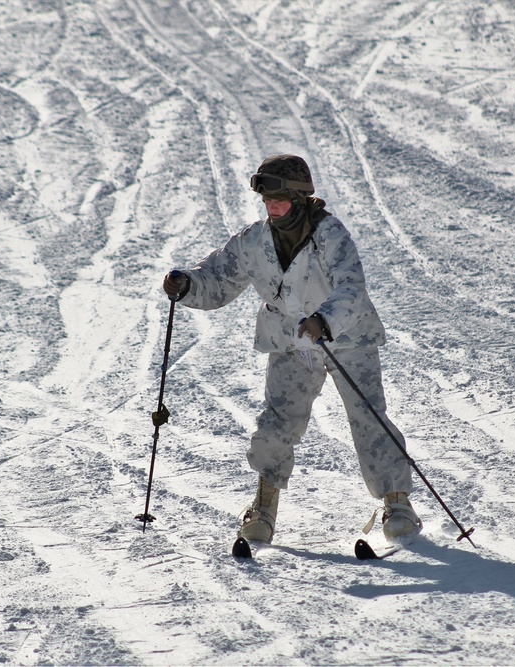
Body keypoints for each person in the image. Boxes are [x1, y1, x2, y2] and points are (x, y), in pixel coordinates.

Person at [162, 154, 420, 544]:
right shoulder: (254, 240)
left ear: (299, 196)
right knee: (277, 422)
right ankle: (263, 507)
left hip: (346, 337)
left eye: (278, 198)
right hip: (289, 340)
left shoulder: (330, 235)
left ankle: (397, 503)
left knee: (368, 417)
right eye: (266, 199)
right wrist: (187, 285)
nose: (271, 206)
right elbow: (217, 278)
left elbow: (351, 288)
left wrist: (325, 320)